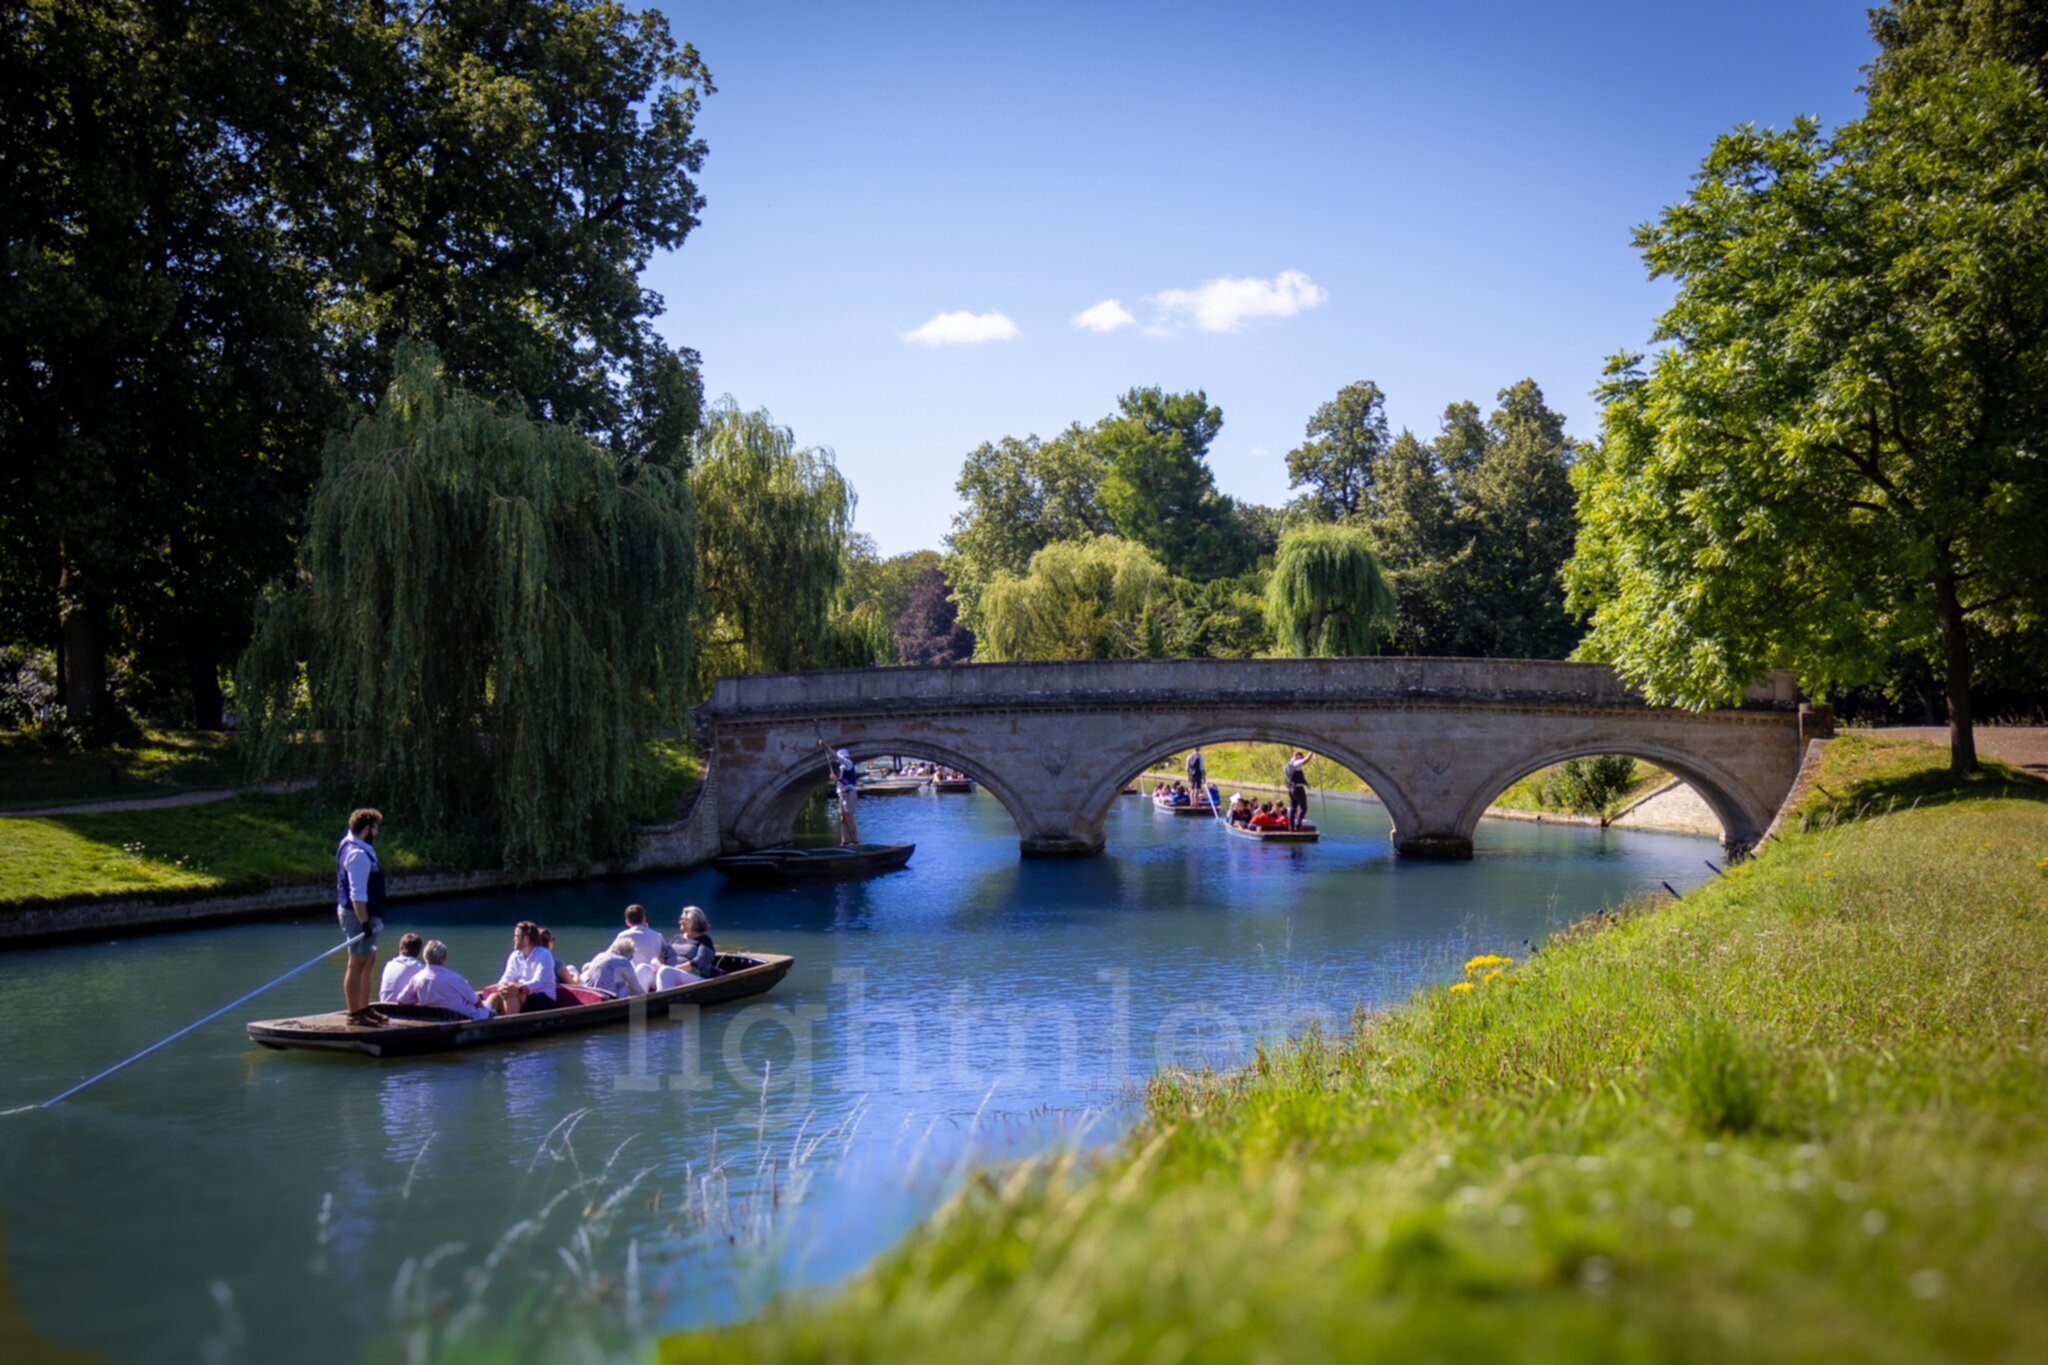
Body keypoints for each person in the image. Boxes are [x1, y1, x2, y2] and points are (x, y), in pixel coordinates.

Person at [335, 807, 386, 1024]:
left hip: (368, 914)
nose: (376, 833)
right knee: (357, 962)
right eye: (375, 829)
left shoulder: (354, 844)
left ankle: (364, 1008)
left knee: (369, 960)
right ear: (366, 829)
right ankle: (355, 1014)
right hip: (358, 915)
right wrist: (364, 922)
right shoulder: (357, 854)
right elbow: (357, 894)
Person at [395, 940, 495, 1021]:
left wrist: (422, 997)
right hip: (464, 1018)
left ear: (425, 957)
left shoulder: (417, 978)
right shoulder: (454, 978)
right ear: (444, 959)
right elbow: (477, 1001)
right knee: (494, 998)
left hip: (435, 1019)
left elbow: (401, 1000)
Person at [483, 921, 560, 1013]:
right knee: (494, 996)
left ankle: (509, 1023)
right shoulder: (515, 956)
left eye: (516, 936)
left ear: (526, 939)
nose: (513, 939)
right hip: (521, 994)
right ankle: (484, 1019)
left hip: (544, 998)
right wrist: (502, 986)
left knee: (512, 994)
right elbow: (507, 976)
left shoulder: (544, 954)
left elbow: (538, 982)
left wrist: (518, 989)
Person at [580, 936, 646, 999]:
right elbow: (636, 988)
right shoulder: (623, 962)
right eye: (631, 956)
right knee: (627, 987)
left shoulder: (599, 956)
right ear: (628, 953)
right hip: (608, 997)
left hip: (592, 994)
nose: (631, 959)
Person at [663, 905, 718, 979]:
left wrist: (673, 970)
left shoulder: (705, 941)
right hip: (669, 973)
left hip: (694, 976)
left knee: (664, 971)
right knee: (644, 968)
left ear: (690, 921)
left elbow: (698, 963)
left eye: (681, 919)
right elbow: (663, 955)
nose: (679, 922)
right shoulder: (676, 938)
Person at [824, 742, 860, 846]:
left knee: (849, 816)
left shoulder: (848, 763)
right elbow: (841, 783)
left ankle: (854, 840)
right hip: (842, 794)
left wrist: (826, 746)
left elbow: (835, 756)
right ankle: (844, 841)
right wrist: (835, 780)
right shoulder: (841, 768)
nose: (838, 761)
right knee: (842, 818)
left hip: (849, 794)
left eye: (840, 759)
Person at [378, 933, 427, 1003]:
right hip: (405, 1012)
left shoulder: (388, 965)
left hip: (383, 1009)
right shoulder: (422, 969)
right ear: (419, 951)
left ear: (401, 948)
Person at [1284, 750, 1315, 830]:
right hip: (1298, 788)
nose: (1301, 759)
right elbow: (1306, 760)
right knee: (1303, 807)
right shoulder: (1295, 763)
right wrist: (1312, 751)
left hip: (1291, 789)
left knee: (1292, 808)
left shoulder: (1288, 764)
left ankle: (1291, 828)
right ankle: (1298, 824)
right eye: (1301, 757)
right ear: (1297, 756)